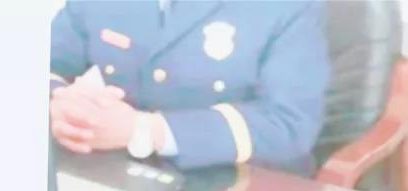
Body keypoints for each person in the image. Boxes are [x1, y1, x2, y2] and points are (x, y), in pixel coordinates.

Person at [49, 0, 330, 177]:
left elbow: (289, 125)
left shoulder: (290, 6)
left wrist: (145, 130)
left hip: (234, 183)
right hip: (119, 172)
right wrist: (61, 104)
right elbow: (45, 63)